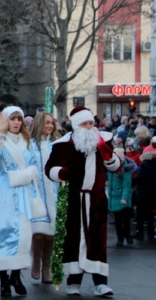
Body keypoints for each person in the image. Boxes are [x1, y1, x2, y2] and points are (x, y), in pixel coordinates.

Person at [45, 106, 120, 297]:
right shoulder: (62, 144)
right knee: (72, 239)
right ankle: (73, 281)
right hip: (71, 197)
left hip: (96, 198)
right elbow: (50, 168)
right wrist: (61, 173)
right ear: (76, 125)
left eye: (91, 123)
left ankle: (101, 283)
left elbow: (116, 167)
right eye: (85, 124)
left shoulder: (103, 141)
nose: (89, 127)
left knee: (97, 239)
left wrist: (109, 156)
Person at [0, 106, 46, 297]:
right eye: (12, 119)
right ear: (6, 120)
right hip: (5, 191)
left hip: (23, 192)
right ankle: (3, 280)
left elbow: (35, 166)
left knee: (23, 237)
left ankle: (16, 275)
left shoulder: (27, 141)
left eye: (19, 119)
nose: (16, 123)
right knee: (3, 234)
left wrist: (27, 174)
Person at [29, 112, 62, 283]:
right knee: (38, 232)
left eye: (52, 123)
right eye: (47, 123)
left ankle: (46, 267)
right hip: (36, 192)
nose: (49, 126)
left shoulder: (56, 144)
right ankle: (36, 260)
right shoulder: (29, 144)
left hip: (54, 192)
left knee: (52, 234)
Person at [107, 148, 135, 247]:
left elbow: (127, 184)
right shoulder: (110, 166)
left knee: (126, 220)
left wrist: (124, 198)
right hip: (114, 198)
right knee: (118, 221)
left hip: (123, 198)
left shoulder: (125, 168)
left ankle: (127, 234)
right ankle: (120, 238)